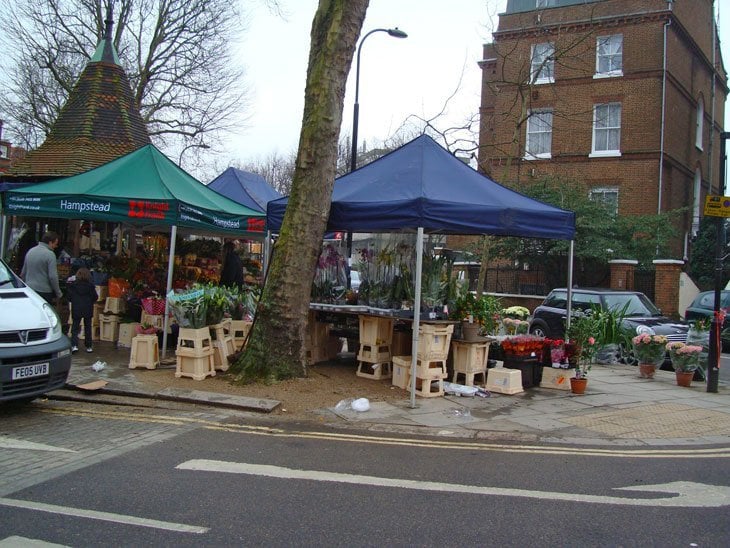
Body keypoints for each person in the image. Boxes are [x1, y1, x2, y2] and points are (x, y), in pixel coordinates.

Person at [20, 231, 63, 305]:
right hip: (44, 292)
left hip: (30, 289)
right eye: (55, 244)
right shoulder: (50, 255)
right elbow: (52, 277)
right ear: (50, 242)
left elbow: (23, 273)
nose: (56, 246)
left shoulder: (30, 251)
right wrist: (58, 292)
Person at [67, 267, 98, 353]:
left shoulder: (73, 286)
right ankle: (89, 346)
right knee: (88, 327)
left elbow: (69, 297)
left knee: (75, 327)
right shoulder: (91, 286)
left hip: (76, 308)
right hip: (88, 308)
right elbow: (95, 297)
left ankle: (74, 345)